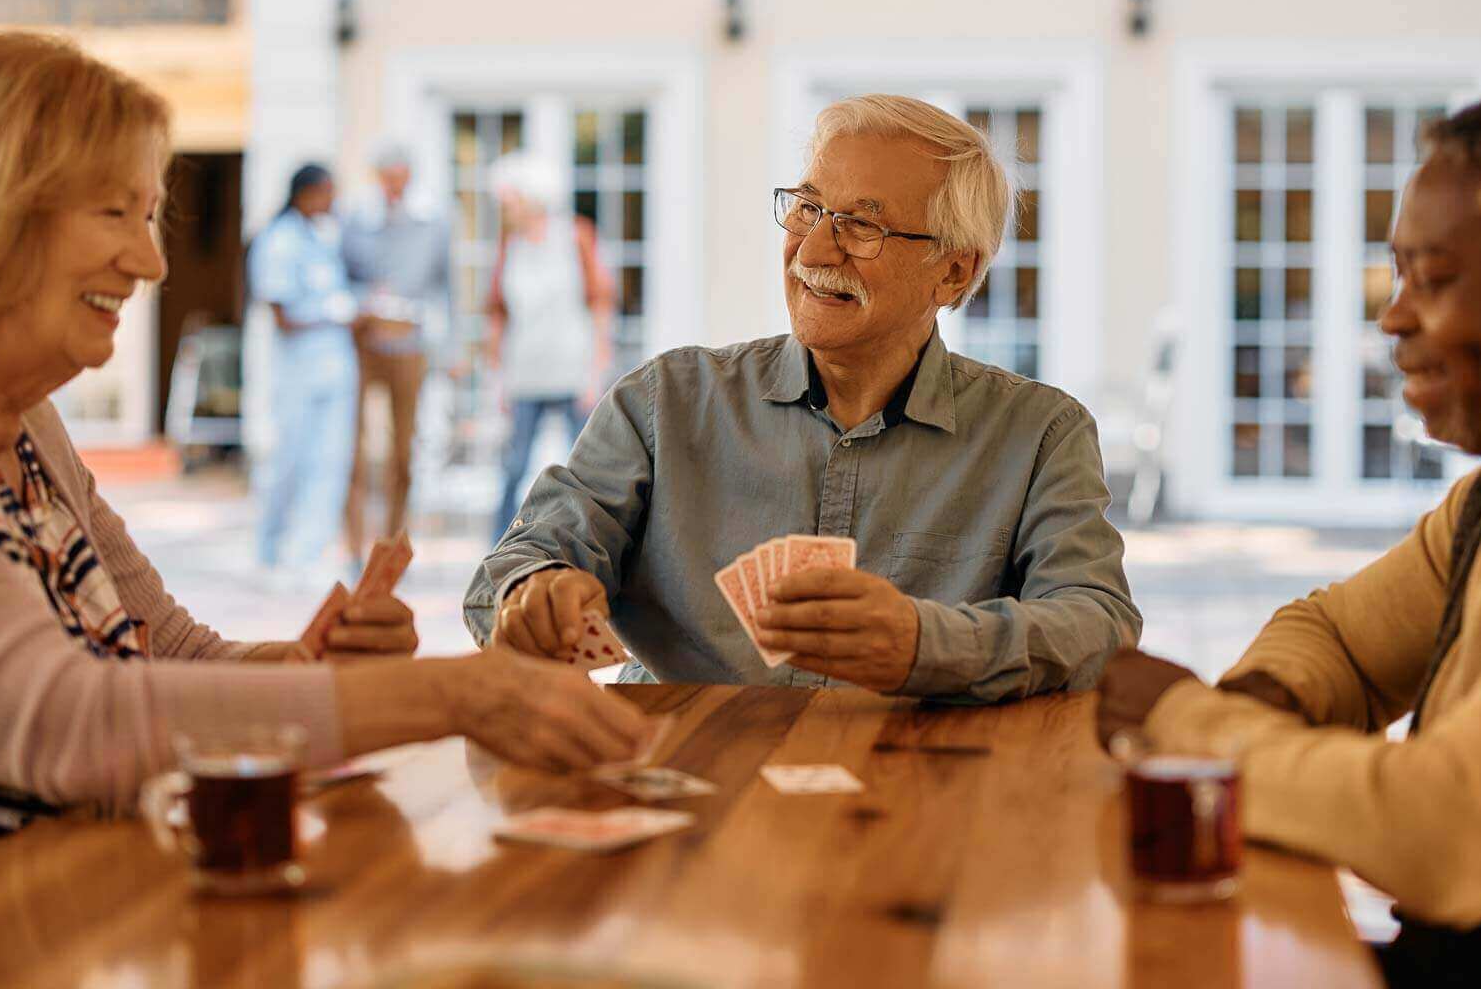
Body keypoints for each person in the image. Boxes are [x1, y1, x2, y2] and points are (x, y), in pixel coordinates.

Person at [0, 32, 649, 943]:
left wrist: (308, 673)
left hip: (51, 934)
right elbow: (55, 719)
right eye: (116, 214)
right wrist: (451, 695)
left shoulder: (22, 418)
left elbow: (167, 651)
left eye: (149, 219)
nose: (150, 264)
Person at [1095, 79, 1481, 986]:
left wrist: (1190, 725)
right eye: (1398, 273)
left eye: (1437, 279)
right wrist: (1268, 701)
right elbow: (1340, 637)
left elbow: (1446, 831)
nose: (1394, 317)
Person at [464, 96, 1137, 703]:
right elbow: (508, 574)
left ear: (954, 270)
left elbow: (1099, 625)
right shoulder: (662, 403)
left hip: (918, 794)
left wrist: (923, 643)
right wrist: (531, 594)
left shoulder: (1041, 433)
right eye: (809, 208)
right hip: (686, 790)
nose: (813, 248)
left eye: (861, 226)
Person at [485, 151, 616, 540]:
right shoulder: (510, 245)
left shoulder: (576, 236)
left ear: (530, 199)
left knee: (588, 464)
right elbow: (498, 313)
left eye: (509, 202)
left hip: (572, 369)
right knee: (513, 467)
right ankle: (500, 547)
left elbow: (600, 304)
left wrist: (597, 370)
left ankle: (596, 540)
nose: (504, 210)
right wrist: (498, 379)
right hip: (524, 372)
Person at [340, 139, 450, 558]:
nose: (394, 188)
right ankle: (352, 546)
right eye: (387, 180)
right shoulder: (356, 220)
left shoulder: (433, 223)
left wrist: (451, 349)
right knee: (354, 449)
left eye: (400, 180)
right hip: (363, 346)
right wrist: (363, 299)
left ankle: (390, 546)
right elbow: (341, 276)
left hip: (410, 346)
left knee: (403, 452)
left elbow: (446, 288)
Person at [249, 163, 358, 577]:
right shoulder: (279, 241)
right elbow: (280, 315)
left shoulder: (323, 238)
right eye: (328, 192)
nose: (333, 201)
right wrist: (334, 316)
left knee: (330, 462)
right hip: (299, 372)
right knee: (288, 461)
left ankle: (309, 554)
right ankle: (270, 548)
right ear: (306, 193)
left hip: (336, 370)